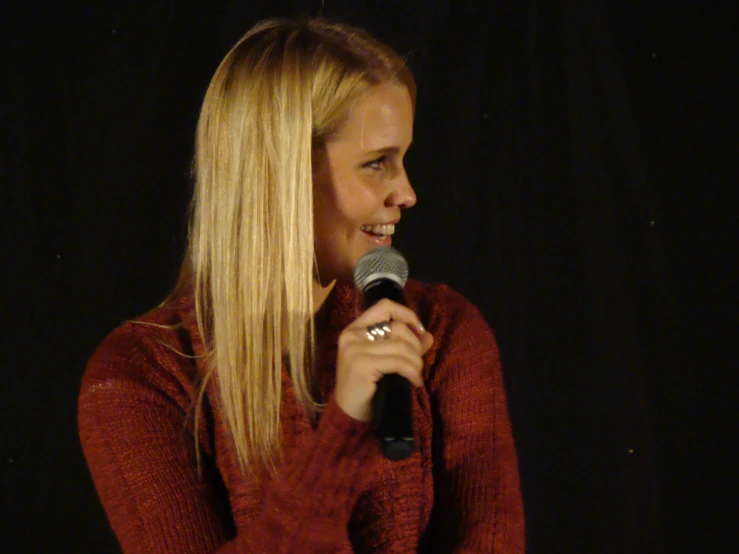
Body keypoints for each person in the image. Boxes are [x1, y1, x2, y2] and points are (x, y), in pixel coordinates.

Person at [78, 17, 525, 553]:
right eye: (377, 163)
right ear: (283, 172)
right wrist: (345, 427)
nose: (406, 193)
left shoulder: (443, 330)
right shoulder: (141, 375)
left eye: (403, 160)